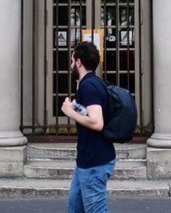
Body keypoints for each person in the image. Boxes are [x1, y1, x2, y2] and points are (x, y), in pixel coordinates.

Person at [61, 41, 115, 213]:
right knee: (75, 208)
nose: (70, 65)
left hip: (94, 162)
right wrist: (77, 106)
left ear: (78, 62)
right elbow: (94, 113)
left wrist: (70, 112)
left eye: (71, 61)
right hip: (86, 160)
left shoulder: (88, 86)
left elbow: (97, 123)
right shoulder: (95, 82)